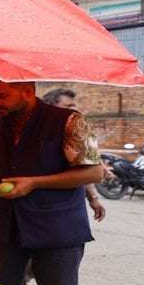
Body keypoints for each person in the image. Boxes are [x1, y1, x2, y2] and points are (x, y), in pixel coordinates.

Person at [0, 75, 104, 285]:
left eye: (3, 95)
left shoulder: (69, 121)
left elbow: (94, 172)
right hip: (8, 229)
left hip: (57, 230)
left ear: (27, 91)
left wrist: (34, 183)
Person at [42, 88, 106, 222]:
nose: (74, 110)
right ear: (50, 107)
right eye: (67, 106)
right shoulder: (35, 131)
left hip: (68, 211)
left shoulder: (77, 131)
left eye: (73, 105)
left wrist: (93, 198)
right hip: (36, 210)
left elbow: (90, 171)